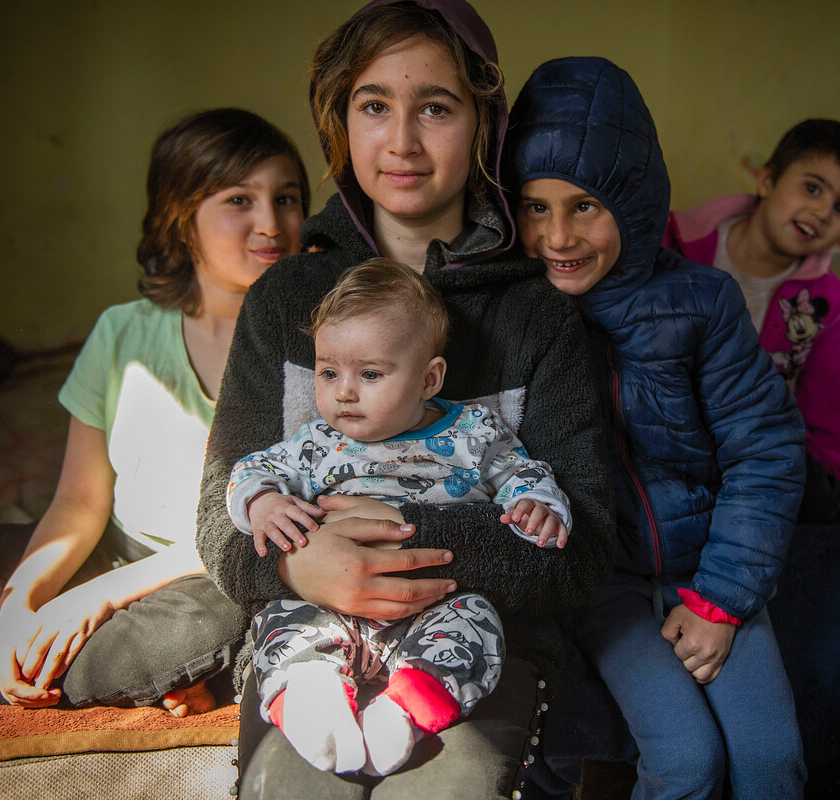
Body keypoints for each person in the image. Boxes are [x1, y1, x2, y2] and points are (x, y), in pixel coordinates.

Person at [193, 2, 614, 798]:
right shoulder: (283, 301)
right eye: (374, 105)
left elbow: (582, 551)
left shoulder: (537, 316)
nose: (402, 142)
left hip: (485, 642)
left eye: (437, 108)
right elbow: (221, 516)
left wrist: (389, 536)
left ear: (484, 124)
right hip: (306, 622)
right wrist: (301, 561)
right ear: (340, 118)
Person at [0, 107, 309, 716]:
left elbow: (265, 528)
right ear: (181, 221)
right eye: (240, 200)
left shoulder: (312, 348)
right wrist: (24, 602)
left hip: (211, 575)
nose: (272, 223)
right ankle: (75, 656)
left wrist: (97, 599)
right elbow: (78, 503)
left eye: (287, 198)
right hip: (110, 548)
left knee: (211, 626)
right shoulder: (122, 334)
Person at [505, 57, 808, 799]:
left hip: (710, 568)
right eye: (535, 207)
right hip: (601, 585)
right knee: (686, 762)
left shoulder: (702, 302)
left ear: (635, 203)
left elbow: (765, 450)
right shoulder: (518, 314)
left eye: (584, 206)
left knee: (771, 764)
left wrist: (720, 603)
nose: (557, 235)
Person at [225, 258, 572, 776]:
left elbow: (522, 473)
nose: (343, 392)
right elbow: (251, 469)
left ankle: (405, 710)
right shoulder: (317, 442)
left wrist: (538, 508)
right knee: (280, 620)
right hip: (330, 600)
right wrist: (264, 503)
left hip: (435, 605)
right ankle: (312, 695)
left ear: (429, 378)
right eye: (328, 372)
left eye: (369, 374)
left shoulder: (473, 431)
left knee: (478, 621)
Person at [665, 118, 840, 520]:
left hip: (755, 440)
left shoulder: (831, 304)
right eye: (812, 188)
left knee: (816, 496)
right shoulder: (674, 243)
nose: (822, 212)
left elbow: (830, 401)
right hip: (664, 419)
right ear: (767, 181)